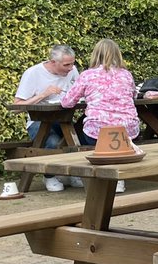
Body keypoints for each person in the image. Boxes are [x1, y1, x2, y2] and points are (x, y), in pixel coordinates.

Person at [60, 39, 140, 193]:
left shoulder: (87, 75)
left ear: (95, 54)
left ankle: (90, 176)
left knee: (76, 135)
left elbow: (67, 103)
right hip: (128, 131)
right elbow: (133, 95)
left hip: (98, 131)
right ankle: (119, 178)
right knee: (99, 131)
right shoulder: (126, 75)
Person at [14, 44, 81, 192]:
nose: (71, 68)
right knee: (53, 143)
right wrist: (43, 95)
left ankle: (76, 172)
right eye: (66, 65)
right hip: (38, 121)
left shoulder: (73, 71)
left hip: (65, 119)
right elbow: (17, 107)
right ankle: (49, 176)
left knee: (83, 135)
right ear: (52, 62)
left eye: (72, 63)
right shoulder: (33, 73)